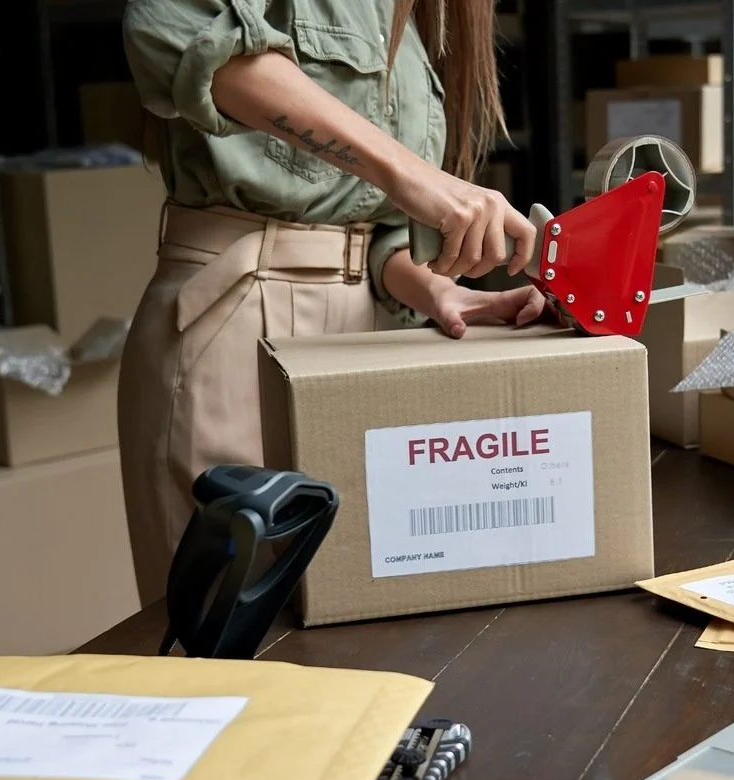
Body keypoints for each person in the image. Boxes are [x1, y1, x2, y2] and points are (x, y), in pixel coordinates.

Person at [118, 0, 548, 606]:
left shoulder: (411, 20)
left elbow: (362, 227)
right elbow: (174, 27)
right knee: (232, 636)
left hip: (365, 337)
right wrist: (409, 174)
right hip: (241, 316)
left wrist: (435, 287)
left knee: (356, 613)